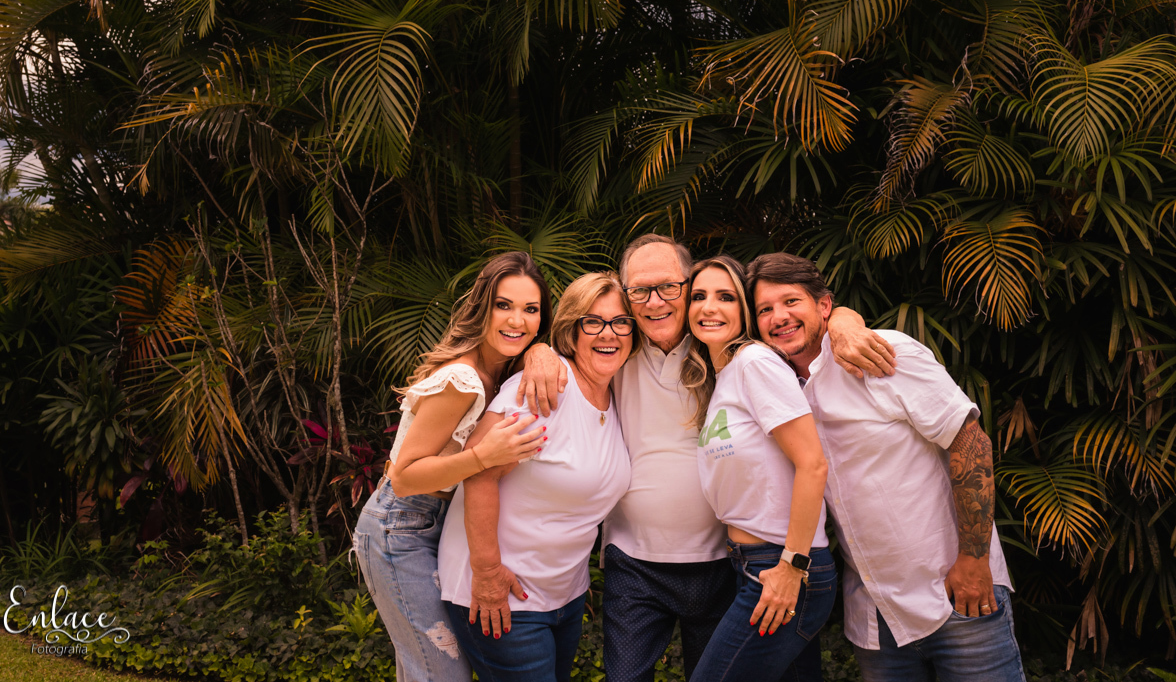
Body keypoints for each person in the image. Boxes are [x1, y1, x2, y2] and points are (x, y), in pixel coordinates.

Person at [515, 234, 896, 682]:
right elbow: (569, 332)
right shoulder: (616, 345)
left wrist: (845, 323)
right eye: (640, 290)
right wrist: (536, 351)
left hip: (723, 562)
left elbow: (798, 315)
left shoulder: (724, 349)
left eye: (670, 288)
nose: (654, 302)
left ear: (688, 284)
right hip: (634, 561)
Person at [746, 252, 1027, 682]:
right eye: (765, 309)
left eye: (790, 302)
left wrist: (973, 560)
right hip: (876, 620)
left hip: (958, 595)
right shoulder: (775, 389)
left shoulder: (884, 353)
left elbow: (969, 440)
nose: (778, 317)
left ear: (823, 306)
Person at [353, 251, 550, 682]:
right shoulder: (464, 379)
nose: (517, 320)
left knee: (426, 667)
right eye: (504, 305)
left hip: (439, 526)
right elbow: (403, 477)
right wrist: (484, 456)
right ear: (483, 308)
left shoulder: (501, 372)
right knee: (441, 671)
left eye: (530, 309)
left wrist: (541, 353)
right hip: (399, 527)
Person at [437, 272, 636, 681]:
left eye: (621, 322)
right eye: (593, 321)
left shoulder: (618, 394)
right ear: (571, 329)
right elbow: (478, 475)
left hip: (564, 597)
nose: (608, 334)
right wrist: (488, 573)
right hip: (502, 596)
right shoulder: (545, 389)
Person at [682, 256, 836, 681]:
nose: (709, 307)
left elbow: (812, 463)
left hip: (781, 566)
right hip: (750, 562)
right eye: (698, 296)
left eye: (726, 297)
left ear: (744, 312)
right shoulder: (725, 376)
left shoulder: (754, 363)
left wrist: (792, 566)